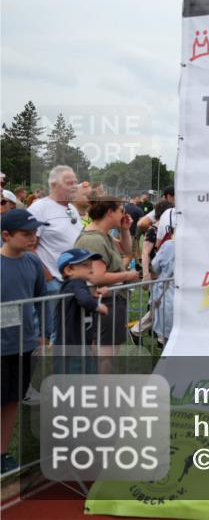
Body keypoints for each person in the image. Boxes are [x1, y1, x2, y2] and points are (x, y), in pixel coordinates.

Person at [1, 209, 49, 474]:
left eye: (34, 233)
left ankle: (2, 453)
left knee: (12, 400)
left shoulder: (33, 263)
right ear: (6, 235)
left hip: (24, 344)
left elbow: (40, 299)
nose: (33, 238)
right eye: (26, 234)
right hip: (1, 345)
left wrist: (41, 333)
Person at [74, 195, 139, 359]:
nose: (124, 215)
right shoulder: (94, 239)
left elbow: (126, 250)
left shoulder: (103, 235)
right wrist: (127, 275)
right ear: (110, 212)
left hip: (110, 301)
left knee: (108, 352)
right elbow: (96, 277)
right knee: (106, 356)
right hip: (105, 303)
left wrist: (125, 229)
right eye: (120, 211)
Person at [27, 166, 84, 343]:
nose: (75, 186)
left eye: (76, 181)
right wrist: (47, 276)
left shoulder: (72, 209)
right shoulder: (39, 208)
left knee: (66, 329)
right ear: (53, 184)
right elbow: (29, 246)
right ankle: (41, 368)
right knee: (48, 330)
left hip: (72, 280)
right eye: (69, 183)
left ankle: (60, 367)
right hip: (53, 282)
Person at [54, 249, 108, 360]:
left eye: (91, 265)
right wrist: (98, 307)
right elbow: (84, 301)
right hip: (72, 346)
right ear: (69, 270)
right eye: (85, 265)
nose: (91, 269)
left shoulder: (75, 285)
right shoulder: (76, 283)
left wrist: (93, 296)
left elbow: (80, 300)